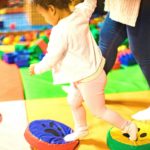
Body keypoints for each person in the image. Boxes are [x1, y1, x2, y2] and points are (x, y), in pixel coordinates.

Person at [29, 0, 138, 142]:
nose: (46, 19)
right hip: (87, 74)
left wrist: (37, 68)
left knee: (99, 111)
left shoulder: (60, 31)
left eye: (44, 15)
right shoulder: (80, 12)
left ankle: (128, 126)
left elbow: (52, 57)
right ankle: (82, 130)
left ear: (52, 9)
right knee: (73, 101)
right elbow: (90, 3)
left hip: (89, 79)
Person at [99, 0, 150, 120]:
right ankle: (91, 88)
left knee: (142, 51)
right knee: (106, 41)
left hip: (140, 4)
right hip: (120, 5)